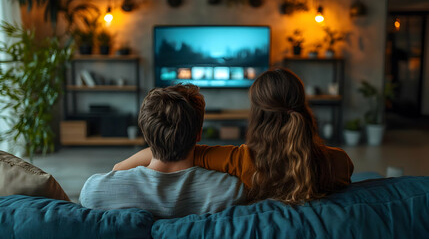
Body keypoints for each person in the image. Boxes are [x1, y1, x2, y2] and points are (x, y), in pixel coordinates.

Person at [114, 68, 354, 205]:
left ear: (257, 115)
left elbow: (184, 149)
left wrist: (120, 166)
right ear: (303, 109)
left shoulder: (239, 161)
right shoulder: (339, 163)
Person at [80, 84, 245, 218]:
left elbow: (116, 171)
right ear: (199, 134)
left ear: (145, 133)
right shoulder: (230, 190)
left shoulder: (94, 190)